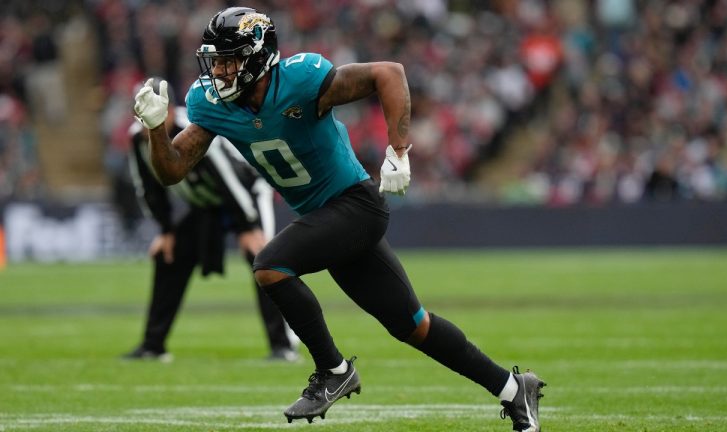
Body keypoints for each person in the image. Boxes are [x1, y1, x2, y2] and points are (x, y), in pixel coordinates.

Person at [133, 7, 545, 431]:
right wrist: (155, 130)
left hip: (356, 205)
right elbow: (172, 170)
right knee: (414, 326)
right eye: (215, 61)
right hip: (326, 218)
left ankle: (333, 371)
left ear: (257, 57)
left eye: (229, 60)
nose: (219, 71)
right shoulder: (213, 104)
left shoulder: (300, 80)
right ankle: (514, 389)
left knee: (270, 266)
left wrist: (398, 150)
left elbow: (389, 73)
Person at [123, 78, 299, 363]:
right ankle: (153, 345)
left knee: (264, 260)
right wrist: (166, 229)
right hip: (206, 204)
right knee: (169, 256)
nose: (149, 119)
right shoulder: (137, 139)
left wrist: (248, 226)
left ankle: (284, 344)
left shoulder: (191, 127)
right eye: (142, 111)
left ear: (171, 109)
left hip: (247, 194)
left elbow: (227, 175)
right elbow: (147, 186)